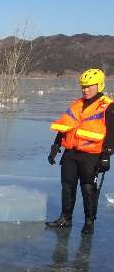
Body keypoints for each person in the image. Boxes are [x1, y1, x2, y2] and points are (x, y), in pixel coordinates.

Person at [46, 68, 113, 235]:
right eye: (83, 86)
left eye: (89, 86)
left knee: (88, 189)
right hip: (71, 153)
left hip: (91, 155)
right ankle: (65, 218)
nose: (85, 89)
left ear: (99, 85)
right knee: (67, 186)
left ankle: (89, 222)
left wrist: (106, 156)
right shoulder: (77, 104)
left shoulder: (108, 106)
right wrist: (56, 147)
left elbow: (112, 133)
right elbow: (65, 126)